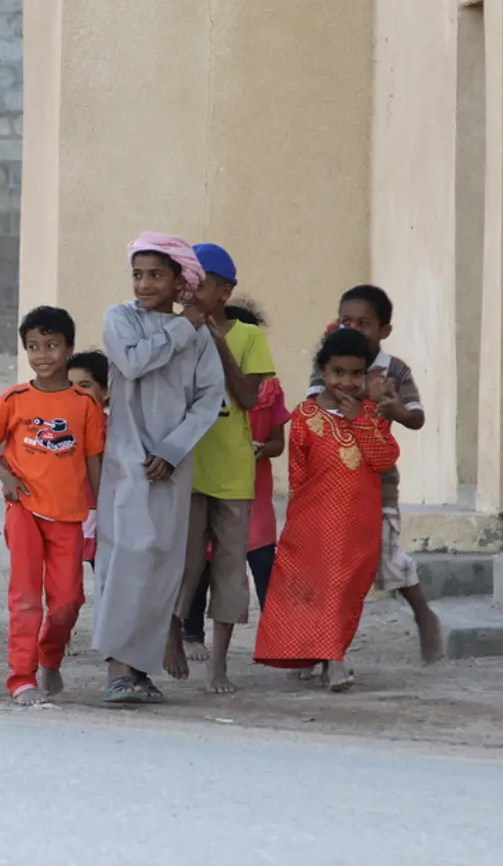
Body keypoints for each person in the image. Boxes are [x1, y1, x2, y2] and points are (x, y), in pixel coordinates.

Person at [92, 232, 225, 705]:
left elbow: (209, 399)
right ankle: (116, 668)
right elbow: (132, 363)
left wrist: (172, 450)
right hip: (126, 459)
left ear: (178, 281)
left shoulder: (200, 338)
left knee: (161, 562)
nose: (144, 284)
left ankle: (141, 669)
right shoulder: (120, 319)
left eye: (155, 275)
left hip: (171, 464)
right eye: (138, 274)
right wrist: (183, 327)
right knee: (125, 557)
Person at [254, 327, 400, 692]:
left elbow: (384, 459)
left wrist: (360, 420)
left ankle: (329, 653)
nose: (346, 382)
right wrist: (296, 522)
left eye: (355, 373)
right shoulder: (305, 414)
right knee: (316, 588)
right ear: (323, 370)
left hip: (359, 522)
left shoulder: (373, 413)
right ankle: (330, 659)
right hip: (314, 520)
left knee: (346, 588)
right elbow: (298, 472)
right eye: (338, 372)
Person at [306, 284, 443, 663]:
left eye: (363, 323)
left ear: (384, 330)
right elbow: (314, 405)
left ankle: (423, 614)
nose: (353, 328)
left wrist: (395, 409)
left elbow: (416, 417)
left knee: (385, 560)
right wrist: (358, 390)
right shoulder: (329, 362)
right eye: (346, 321)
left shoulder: (394, 369)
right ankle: (322, 651)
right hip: (333, 485)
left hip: (377, 487)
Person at [0, 307, 105, 706]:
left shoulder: (84, 404)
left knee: (68, 601)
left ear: (68, 348)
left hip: (69, 516)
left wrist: (103, 511)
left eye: (51, 346)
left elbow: (93, 461)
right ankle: (21, 678)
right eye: (33, 346)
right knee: (26, 598)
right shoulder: (13, 399)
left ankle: (50, 656)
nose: (42, 355)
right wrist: (5, 477)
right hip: (24, 510)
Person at [167, 244, 275, 694]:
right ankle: (173, 633)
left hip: (232, 473)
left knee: (230, 570)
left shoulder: (248, 337)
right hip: (187, 466)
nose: (189, 292)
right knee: (185, 563)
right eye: (185, 283)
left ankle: (219, 664)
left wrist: (219, 345)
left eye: (200, 284)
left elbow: (248, 398)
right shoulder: (173, 331)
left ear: (225, 292)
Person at [182, 300, 288, 655]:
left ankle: (275, 638)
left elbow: (277, 442)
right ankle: (191, 634)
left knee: (261, 563)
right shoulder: (201, 377)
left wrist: (261, 448)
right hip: (209, 479)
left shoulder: (268, 390)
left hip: (250, 489)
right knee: (200, 563)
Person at [67, 350, 110, 572]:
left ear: (105, 391)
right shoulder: (58, 428)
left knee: (103, 572)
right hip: (67, 511)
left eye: (85, 385)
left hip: (100, 512)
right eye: (69, 385)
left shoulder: (114, 430)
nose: (76, 392)